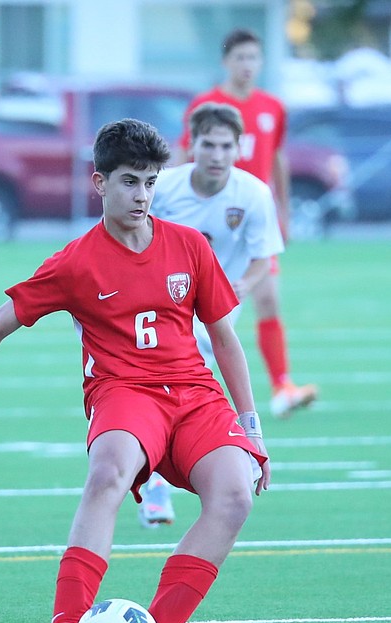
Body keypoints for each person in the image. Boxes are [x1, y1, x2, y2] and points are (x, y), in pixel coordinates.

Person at [0, 118, 271, 623]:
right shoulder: (76, 261)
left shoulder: (189, 246)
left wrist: (251, 426)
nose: (142, 195)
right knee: (108, 472)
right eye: (130, 181)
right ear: (100, 182)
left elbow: (225, 339)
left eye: (151, 182)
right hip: (124, 393)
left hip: (195, 394)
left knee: (236, 496)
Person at [137, 102, 284, 529]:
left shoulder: (253, 194)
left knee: (182, 391)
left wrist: (242, 286)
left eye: (226, 145)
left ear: (239, 148)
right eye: (208, 144)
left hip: (218, 311)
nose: (217, 154)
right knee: (167, 385)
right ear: (192, 145)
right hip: (164, 304)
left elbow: (263, 259)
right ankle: (165, 482)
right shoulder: (163, 188)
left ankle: (190, 470)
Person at [177, 27, 318, 423]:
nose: (246, 65)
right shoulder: (207, 105)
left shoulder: (272, 107)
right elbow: (182, 152)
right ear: (227, 62)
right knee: (198, 316)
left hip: (252, 221)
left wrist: (283, 210)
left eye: (253, 58)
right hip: (210, 226)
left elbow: (277, 159)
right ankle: (184, 385)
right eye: (239, 57)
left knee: (268, 297)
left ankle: (282, 386)